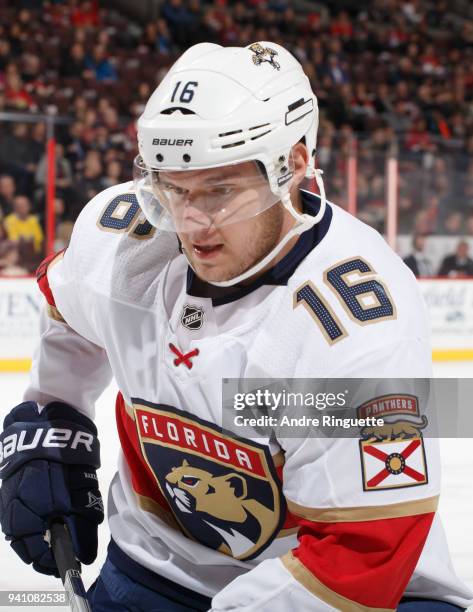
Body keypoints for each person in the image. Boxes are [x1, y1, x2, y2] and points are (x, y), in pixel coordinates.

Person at [0, 42, 472, 612]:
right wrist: (54, 413)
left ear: (293, 165)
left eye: (221, 190)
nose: (193, 222)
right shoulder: (126, 242)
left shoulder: (353, 327)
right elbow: (71, 308)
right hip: (153, 571)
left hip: (351, 590)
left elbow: (364, 550)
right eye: (173, 188)